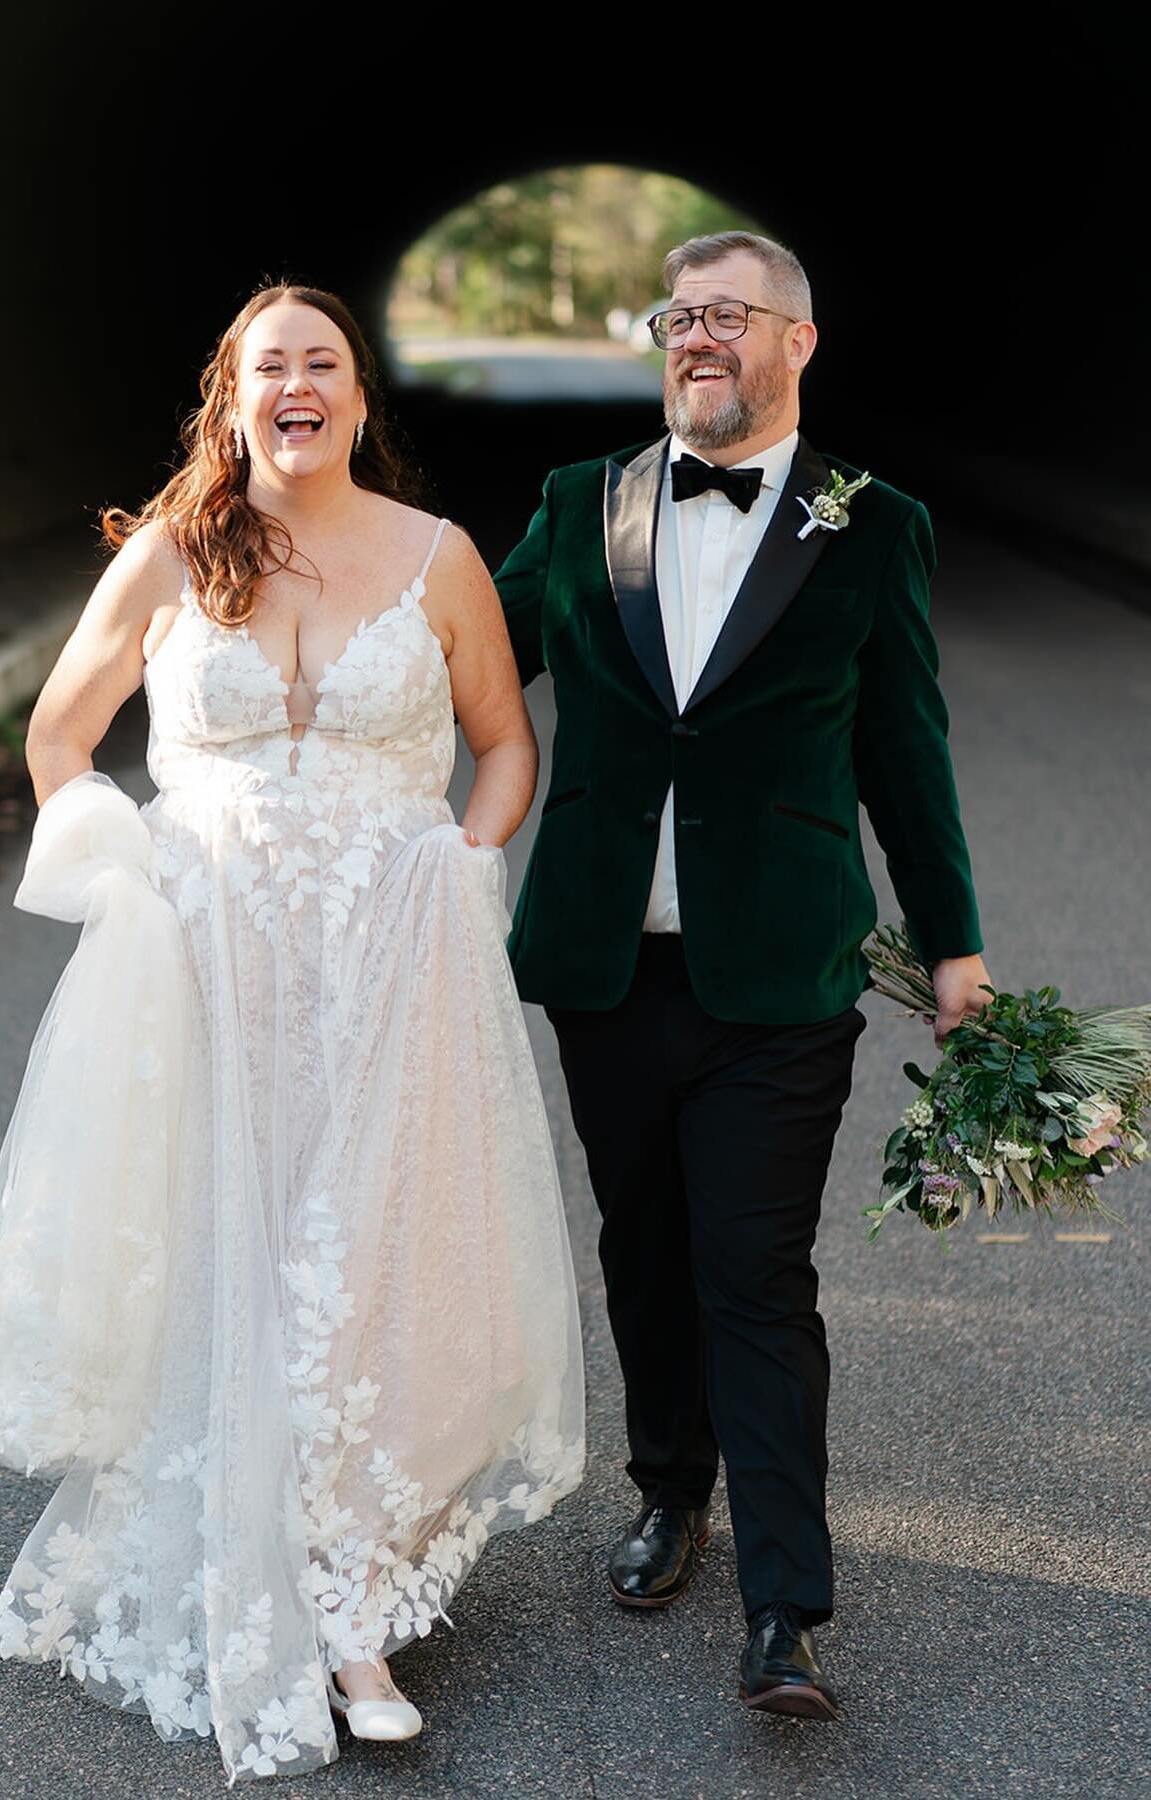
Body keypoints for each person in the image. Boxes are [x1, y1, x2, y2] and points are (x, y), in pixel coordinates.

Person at [0, 282, 585, 1784]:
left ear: (359, 400)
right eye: (268, 368)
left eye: (323, 364)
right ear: (231, 401)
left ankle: (352, 1597)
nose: (296, 385)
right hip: (211, 963)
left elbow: (505, 747)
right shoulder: (175, 554)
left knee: (359, 1262)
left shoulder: (438, 560)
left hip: (391, 961)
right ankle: (257, 1557)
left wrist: (461, 861)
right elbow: (59, 735)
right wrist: (111, 871)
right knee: (229, 1251)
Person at [491, 231, 989, 1719]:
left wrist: (952, 937)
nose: (696, 337)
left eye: (727, 316)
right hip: (603, 964)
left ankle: (786, 1603)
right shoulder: (581, 504)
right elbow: (470, 664)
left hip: (778, 972)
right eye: (677, 316)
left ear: (797, 344)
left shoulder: (872, 521)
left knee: (755, 1274)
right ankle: (670, 1491)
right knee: (643, 1250)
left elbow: (907, 747)